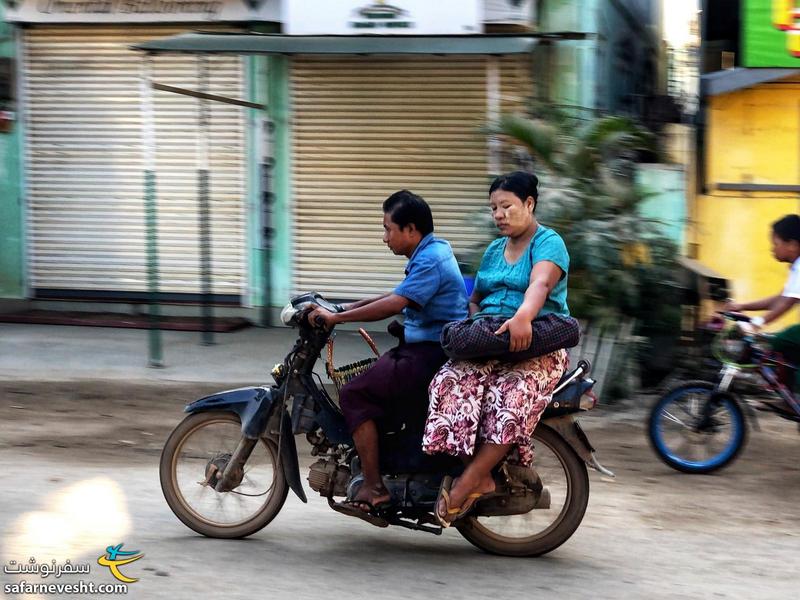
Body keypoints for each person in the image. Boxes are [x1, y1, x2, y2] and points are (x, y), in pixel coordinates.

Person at [421, 171, 571, 527]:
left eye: (506, 206)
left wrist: (522, 318)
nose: (499, 214)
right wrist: (477, 328)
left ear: (529, 204)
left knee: (509, 397)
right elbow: (474, 299)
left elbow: (540, 283)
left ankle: (471, 481)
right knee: (447, 385)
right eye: (494, 209)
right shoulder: (492, 250)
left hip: (534, 345)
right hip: (491, 342)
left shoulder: (548, 242)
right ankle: (477, 471)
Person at [308, 189, 468, 523]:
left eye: (387, 229)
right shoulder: (430, 253)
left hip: (427, 355)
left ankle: (373, 487)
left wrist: (337, 318)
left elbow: (395, 304)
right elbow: (398, 294)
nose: (384, 238)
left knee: (354, 393)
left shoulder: (430, 259)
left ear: (411, 230)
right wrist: (342, 307)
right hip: (423, 349)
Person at [726, 214, 800, 405]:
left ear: (792, 244)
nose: (772, 248)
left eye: (775, 243)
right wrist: (742, 306)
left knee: (783, 340)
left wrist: (758, 323)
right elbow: (780, 298)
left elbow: (788, 302)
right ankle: (791, 398)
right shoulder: (796, 268)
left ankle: (793, 398)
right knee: (786, 350)